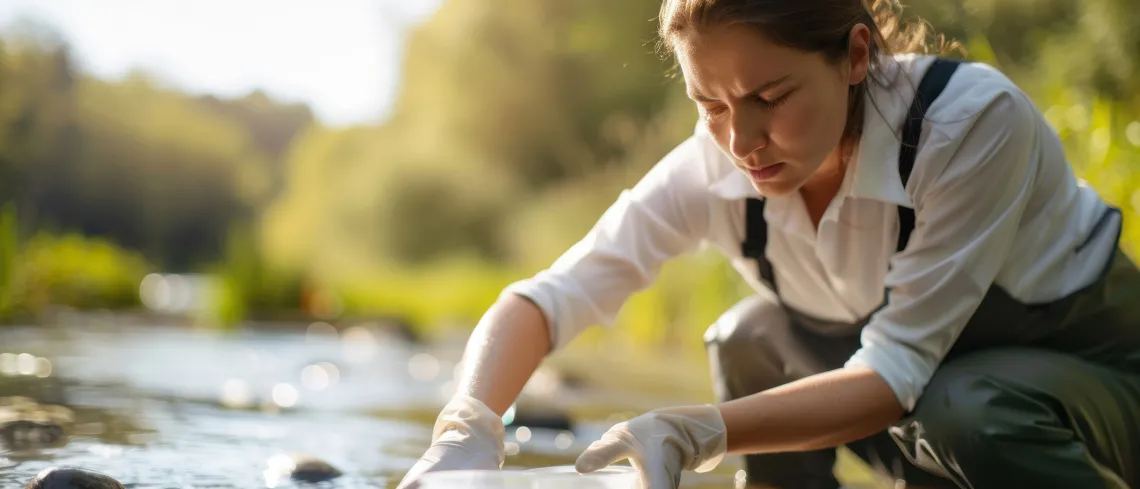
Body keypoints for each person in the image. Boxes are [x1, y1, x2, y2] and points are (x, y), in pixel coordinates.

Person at [395, 0, 1140, 487]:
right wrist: (469, 424)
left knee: (964, 405)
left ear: (854, 57)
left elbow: (895, 374)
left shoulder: (968, 125)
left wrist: (698, 430)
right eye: (710, 103)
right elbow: (550, 296)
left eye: (770, 98)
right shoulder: (709, 164)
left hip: (1091, 393)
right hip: (925, 414)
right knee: (747, 337)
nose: (741, 140)